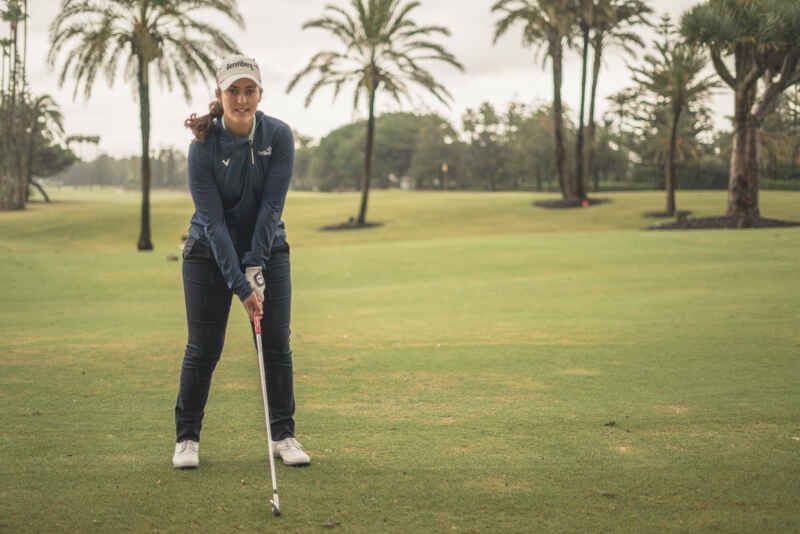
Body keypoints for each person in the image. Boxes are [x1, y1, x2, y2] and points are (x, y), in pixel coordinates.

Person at [172, 54, 309, 469]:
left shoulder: (279, 136)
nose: (242, 99)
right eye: (234, 91)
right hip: (207, 255)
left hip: (267, 250)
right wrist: (242, 283)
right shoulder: (203, 147)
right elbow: (213, 224)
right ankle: (187, 439)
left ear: (260, 94)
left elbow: (272, 207)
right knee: (204, 348)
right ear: (220, 95)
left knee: (274, 346)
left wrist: (256, 265)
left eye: (250, 90)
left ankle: (283, 436)